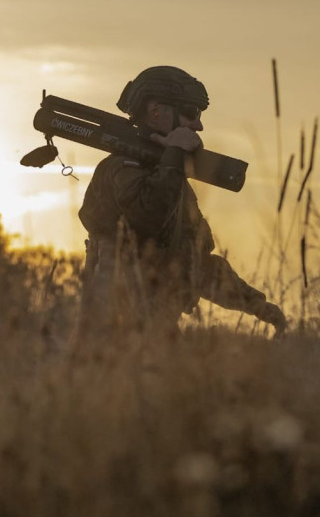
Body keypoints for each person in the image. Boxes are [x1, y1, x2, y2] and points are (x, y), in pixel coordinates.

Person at [78, 65, 287, 336]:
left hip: (158, 334)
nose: (198, 124)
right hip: (112, 338)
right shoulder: (122, 168)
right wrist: (175, 154)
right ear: (155, 111)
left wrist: (257, 306)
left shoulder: (169, 176)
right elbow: (148, 217)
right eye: (191, 113)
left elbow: (196, 261)